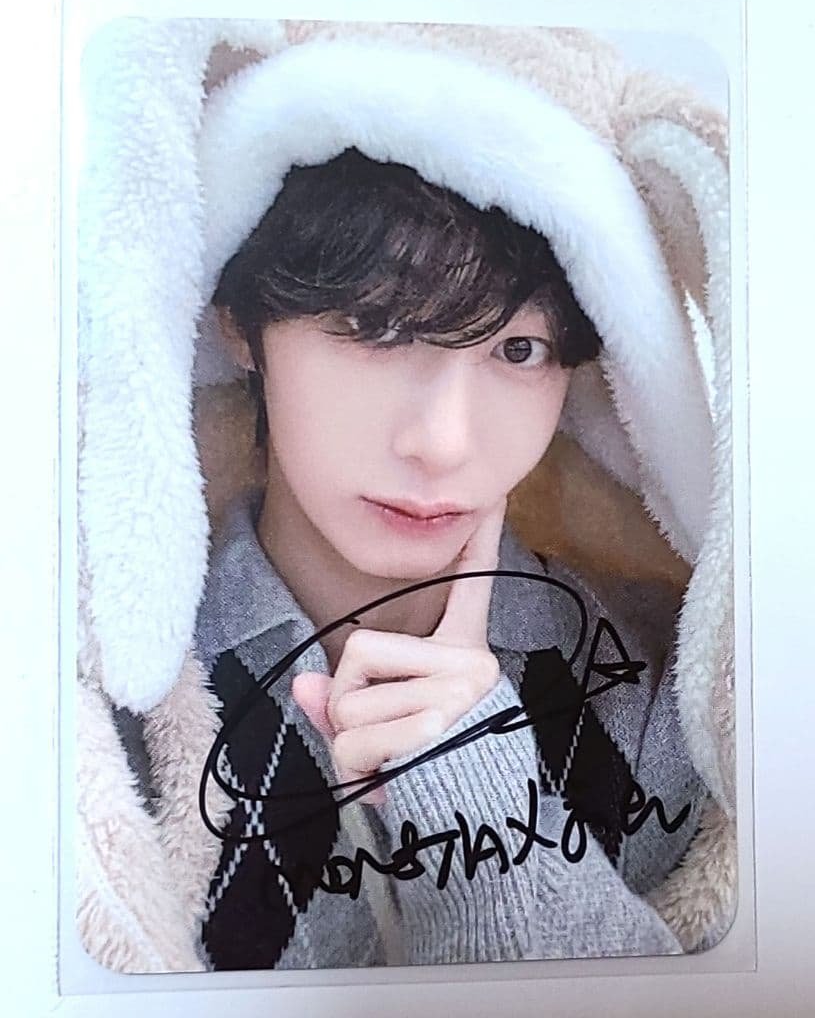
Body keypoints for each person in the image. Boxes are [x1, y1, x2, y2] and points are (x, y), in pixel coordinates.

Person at [193, 147, 707, 971]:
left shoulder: (668, 699)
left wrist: (479, 801)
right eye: (376, 327)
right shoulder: (108, 703)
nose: (442, 442)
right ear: (239, 326)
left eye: (518, 350)